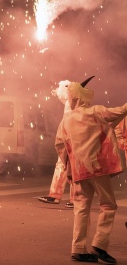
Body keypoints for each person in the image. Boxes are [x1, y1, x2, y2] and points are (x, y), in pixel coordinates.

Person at [54, 77, 127, 264]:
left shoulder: (66, 120)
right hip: (97, 168)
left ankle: (78, 249)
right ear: (84, 98)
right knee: (108, 205)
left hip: (78, 171)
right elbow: (121, 111)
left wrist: (69, 168)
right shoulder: (96, 112)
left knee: (80, 208)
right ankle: (99, 245)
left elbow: (59, 145)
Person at [38, 83, 77, 208]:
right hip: (67, 137)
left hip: (76, 138)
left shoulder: (77, 104)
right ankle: (55, 195)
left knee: (74, 168)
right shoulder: (70, 102)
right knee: (62, 165)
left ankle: (74, 199)